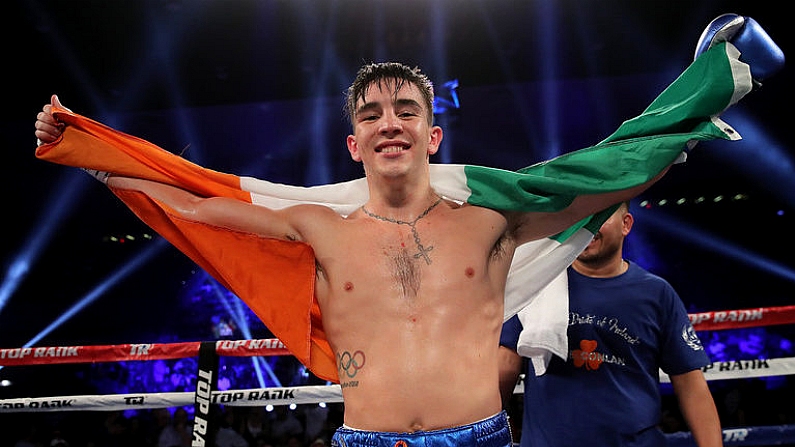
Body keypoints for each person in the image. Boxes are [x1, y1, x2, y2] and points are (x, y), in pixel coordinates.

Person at [33, 14, 779, 447]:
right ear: (353, 144)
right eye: (370, 115)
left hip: (477, 436)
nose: (388, 122)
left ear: (433, 134)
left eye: (405, 112)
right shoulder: (315, 223)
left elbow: (605, 175)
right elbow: (191, 207)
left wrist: (684, 114)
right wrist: (89, 155)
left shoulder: (492, 218)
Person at [498, 201, 723, 446]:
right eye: (578, 216)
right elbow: (505, 366)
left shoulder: (656, 293)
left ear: (626, 224)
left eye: (598, 216)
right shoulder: (538, 284)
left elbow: (691, 384)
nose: (586, 225)